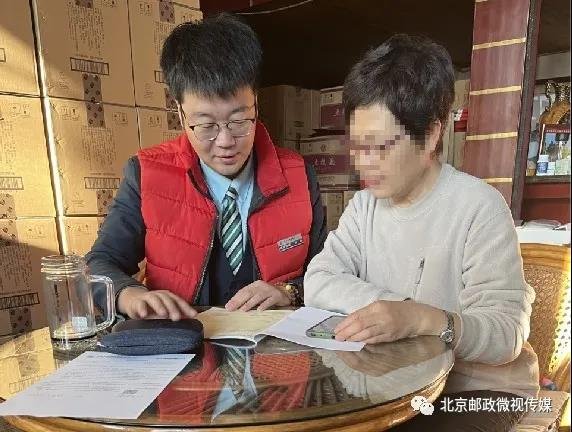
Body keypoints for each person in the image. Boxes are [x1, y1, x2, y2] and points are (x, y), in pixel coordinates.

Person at [303, 34, 539, 431]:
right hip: (397, 386)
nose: (363, 163)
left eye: (380, 147)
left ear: (430, 134)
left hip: (476, 391)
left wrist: (420, 319)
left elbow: (505, 335)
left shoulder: (478, 207)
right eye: (356, 146)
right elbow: (318, 280)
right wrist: (395, 310)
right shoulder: (364, 207)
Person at [87, 13, 326, 320]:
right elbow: (100, 262)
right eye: (206, 125)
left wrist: (289, 291)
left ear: (256, 103)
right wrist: (128, 295)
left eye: (239, 121)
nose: (225, 141)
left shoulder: (299, 176)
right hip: (184, 341)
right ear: (180, 112)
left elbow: (328, 272)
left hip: (275, 345)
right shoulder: (146, 175)